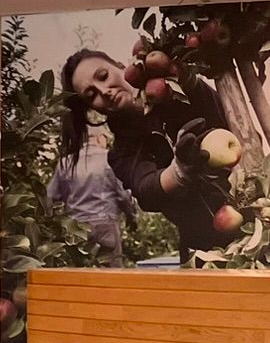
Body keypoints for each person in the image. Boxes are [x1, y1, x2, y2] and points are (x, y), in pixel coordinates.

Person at [61, 49, 234, 258]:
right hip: (205, 249)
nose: (103, 91)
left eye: (103, 76)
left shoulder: (176, 92)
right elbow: (146, 188)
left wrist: (184, 76)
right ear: (92, 108)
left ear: (119, 65)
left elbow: (221, 113)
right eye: (91, 95)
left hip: (259, 207)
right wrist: (179, 171)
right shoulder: (122, 154)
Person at [47, 122, 137, 264]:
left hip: (76, 227)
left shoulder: (66, 162)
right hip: (105, 224)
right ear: (100, 138)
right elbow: (123, 194)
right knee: (111, 275)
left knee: (81, 274)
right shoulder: (109, 159)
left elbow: (50, 197)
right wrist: (131, 216)